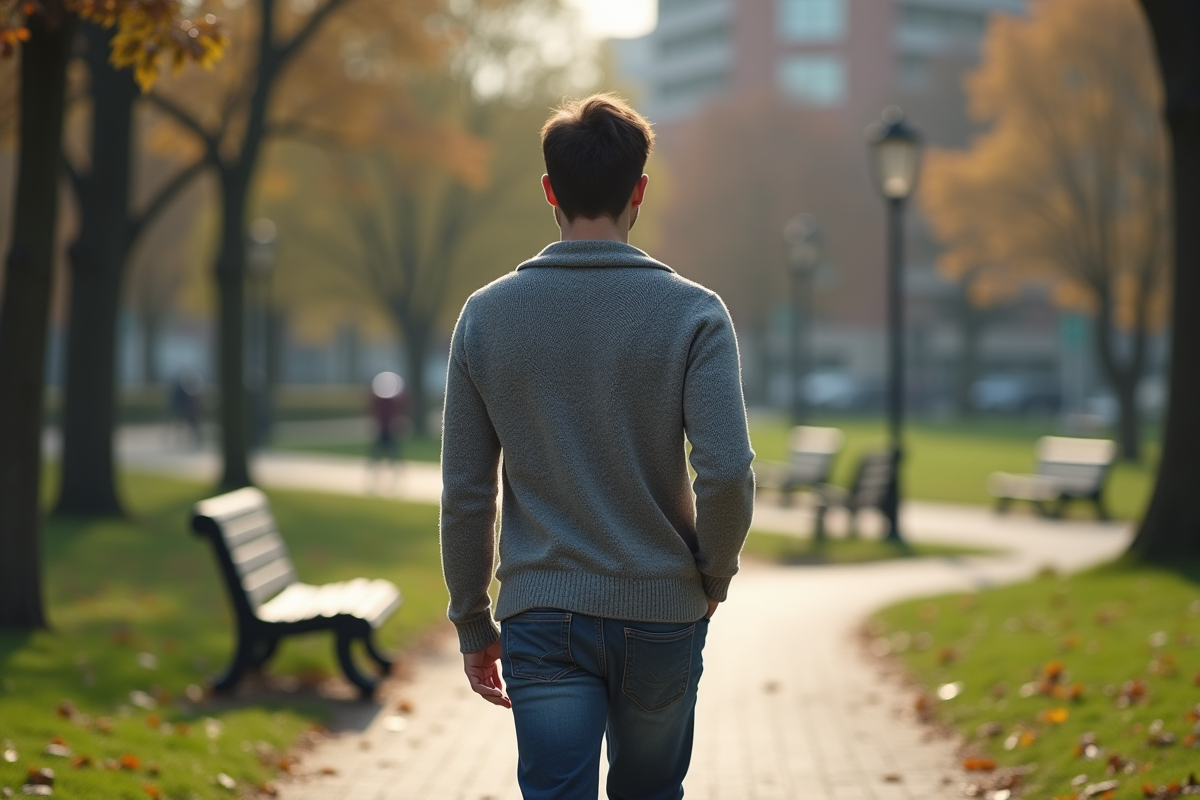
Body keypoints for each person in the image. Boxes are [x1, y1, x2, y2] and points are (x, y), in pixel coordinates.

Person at [439, 93, 755, 799]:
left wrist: (471, 618)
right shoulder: (695, 314)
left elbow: (466, 492)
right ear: (637, 191)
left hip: (541, 616)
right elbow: (728, 472)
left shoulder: (486, 318)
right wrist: (714, 576)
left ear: (550, 190)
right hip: (663, 612)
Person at [367, 371, 410, 491]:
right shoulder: (379, 401)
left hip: (389, 432)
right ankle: (373, 482)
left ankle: (397, 482)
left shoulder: (392, 401)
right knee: (376, 458)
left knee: (393, 458)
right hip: (382, 431)